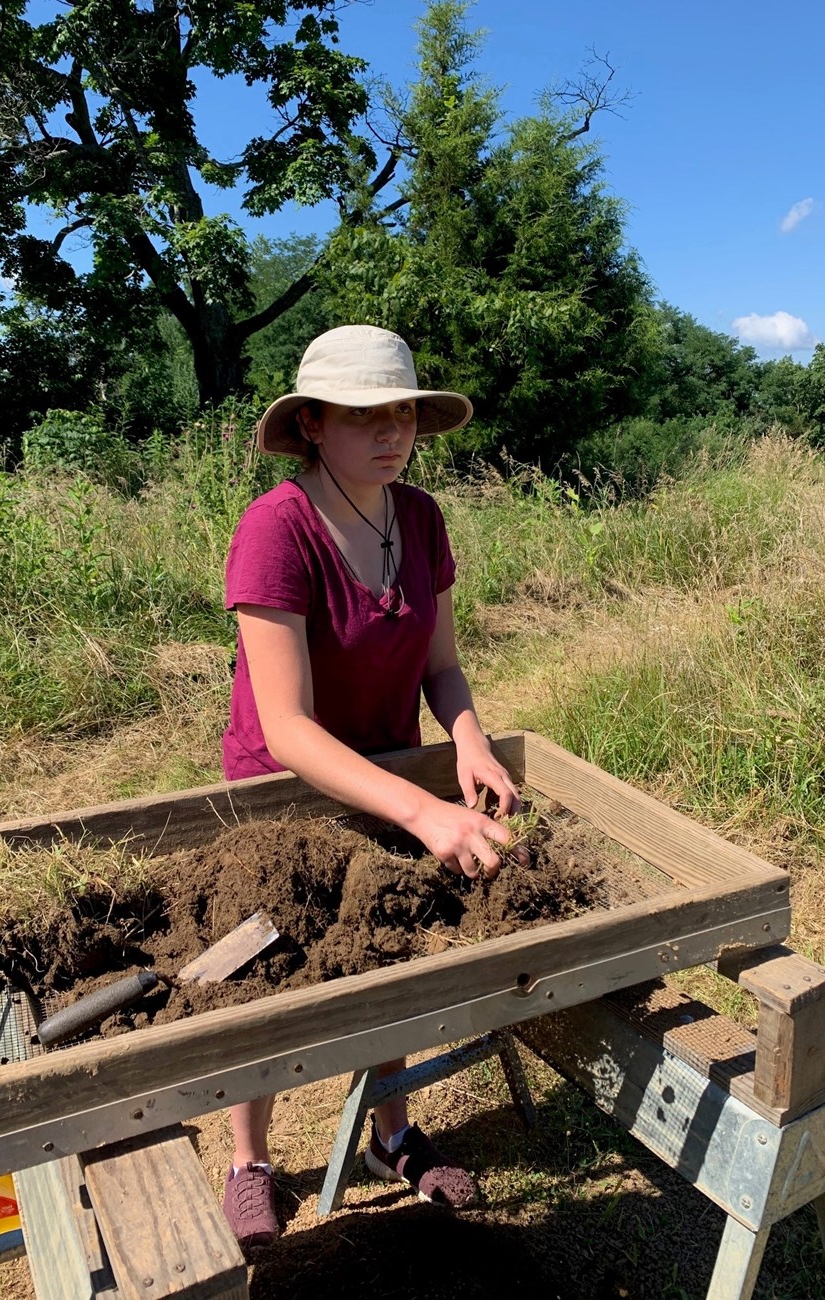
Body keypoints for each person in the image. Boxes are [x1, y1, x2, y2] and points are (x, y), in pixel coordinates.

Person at [221, 324, 522, 1248]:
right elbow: (289, 728)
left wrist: (465, 741)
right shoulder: (278, 529)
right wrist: (424, 810)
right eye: (361, 416)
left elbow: (442, 668)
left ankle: (392, 1135)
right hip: (286, 790)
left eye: (401, 413)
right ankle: (251, 1162)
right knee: (269, 979)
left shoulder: (419, 517)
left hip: (396, 775)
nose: (389, 433)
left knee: (383, 954)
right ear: (311, 424)